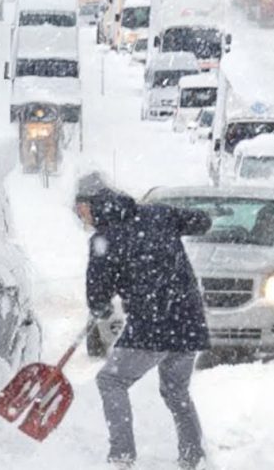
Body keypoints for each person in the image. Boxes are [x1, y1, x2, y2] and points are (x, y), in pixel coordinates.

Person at [74, 172, 212, 469]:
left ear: (94, 204)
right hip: (188, 320)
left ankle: (121, 456)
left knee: (111, 380)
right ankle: (193, 457)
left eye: (80, 208)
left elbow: (97, 297)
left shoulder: (103, 240)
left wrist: (100, 306)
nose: (80, 216)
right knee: (176, 391)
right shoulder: (158, 213)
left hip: (153, 324)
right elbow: (202, 222)